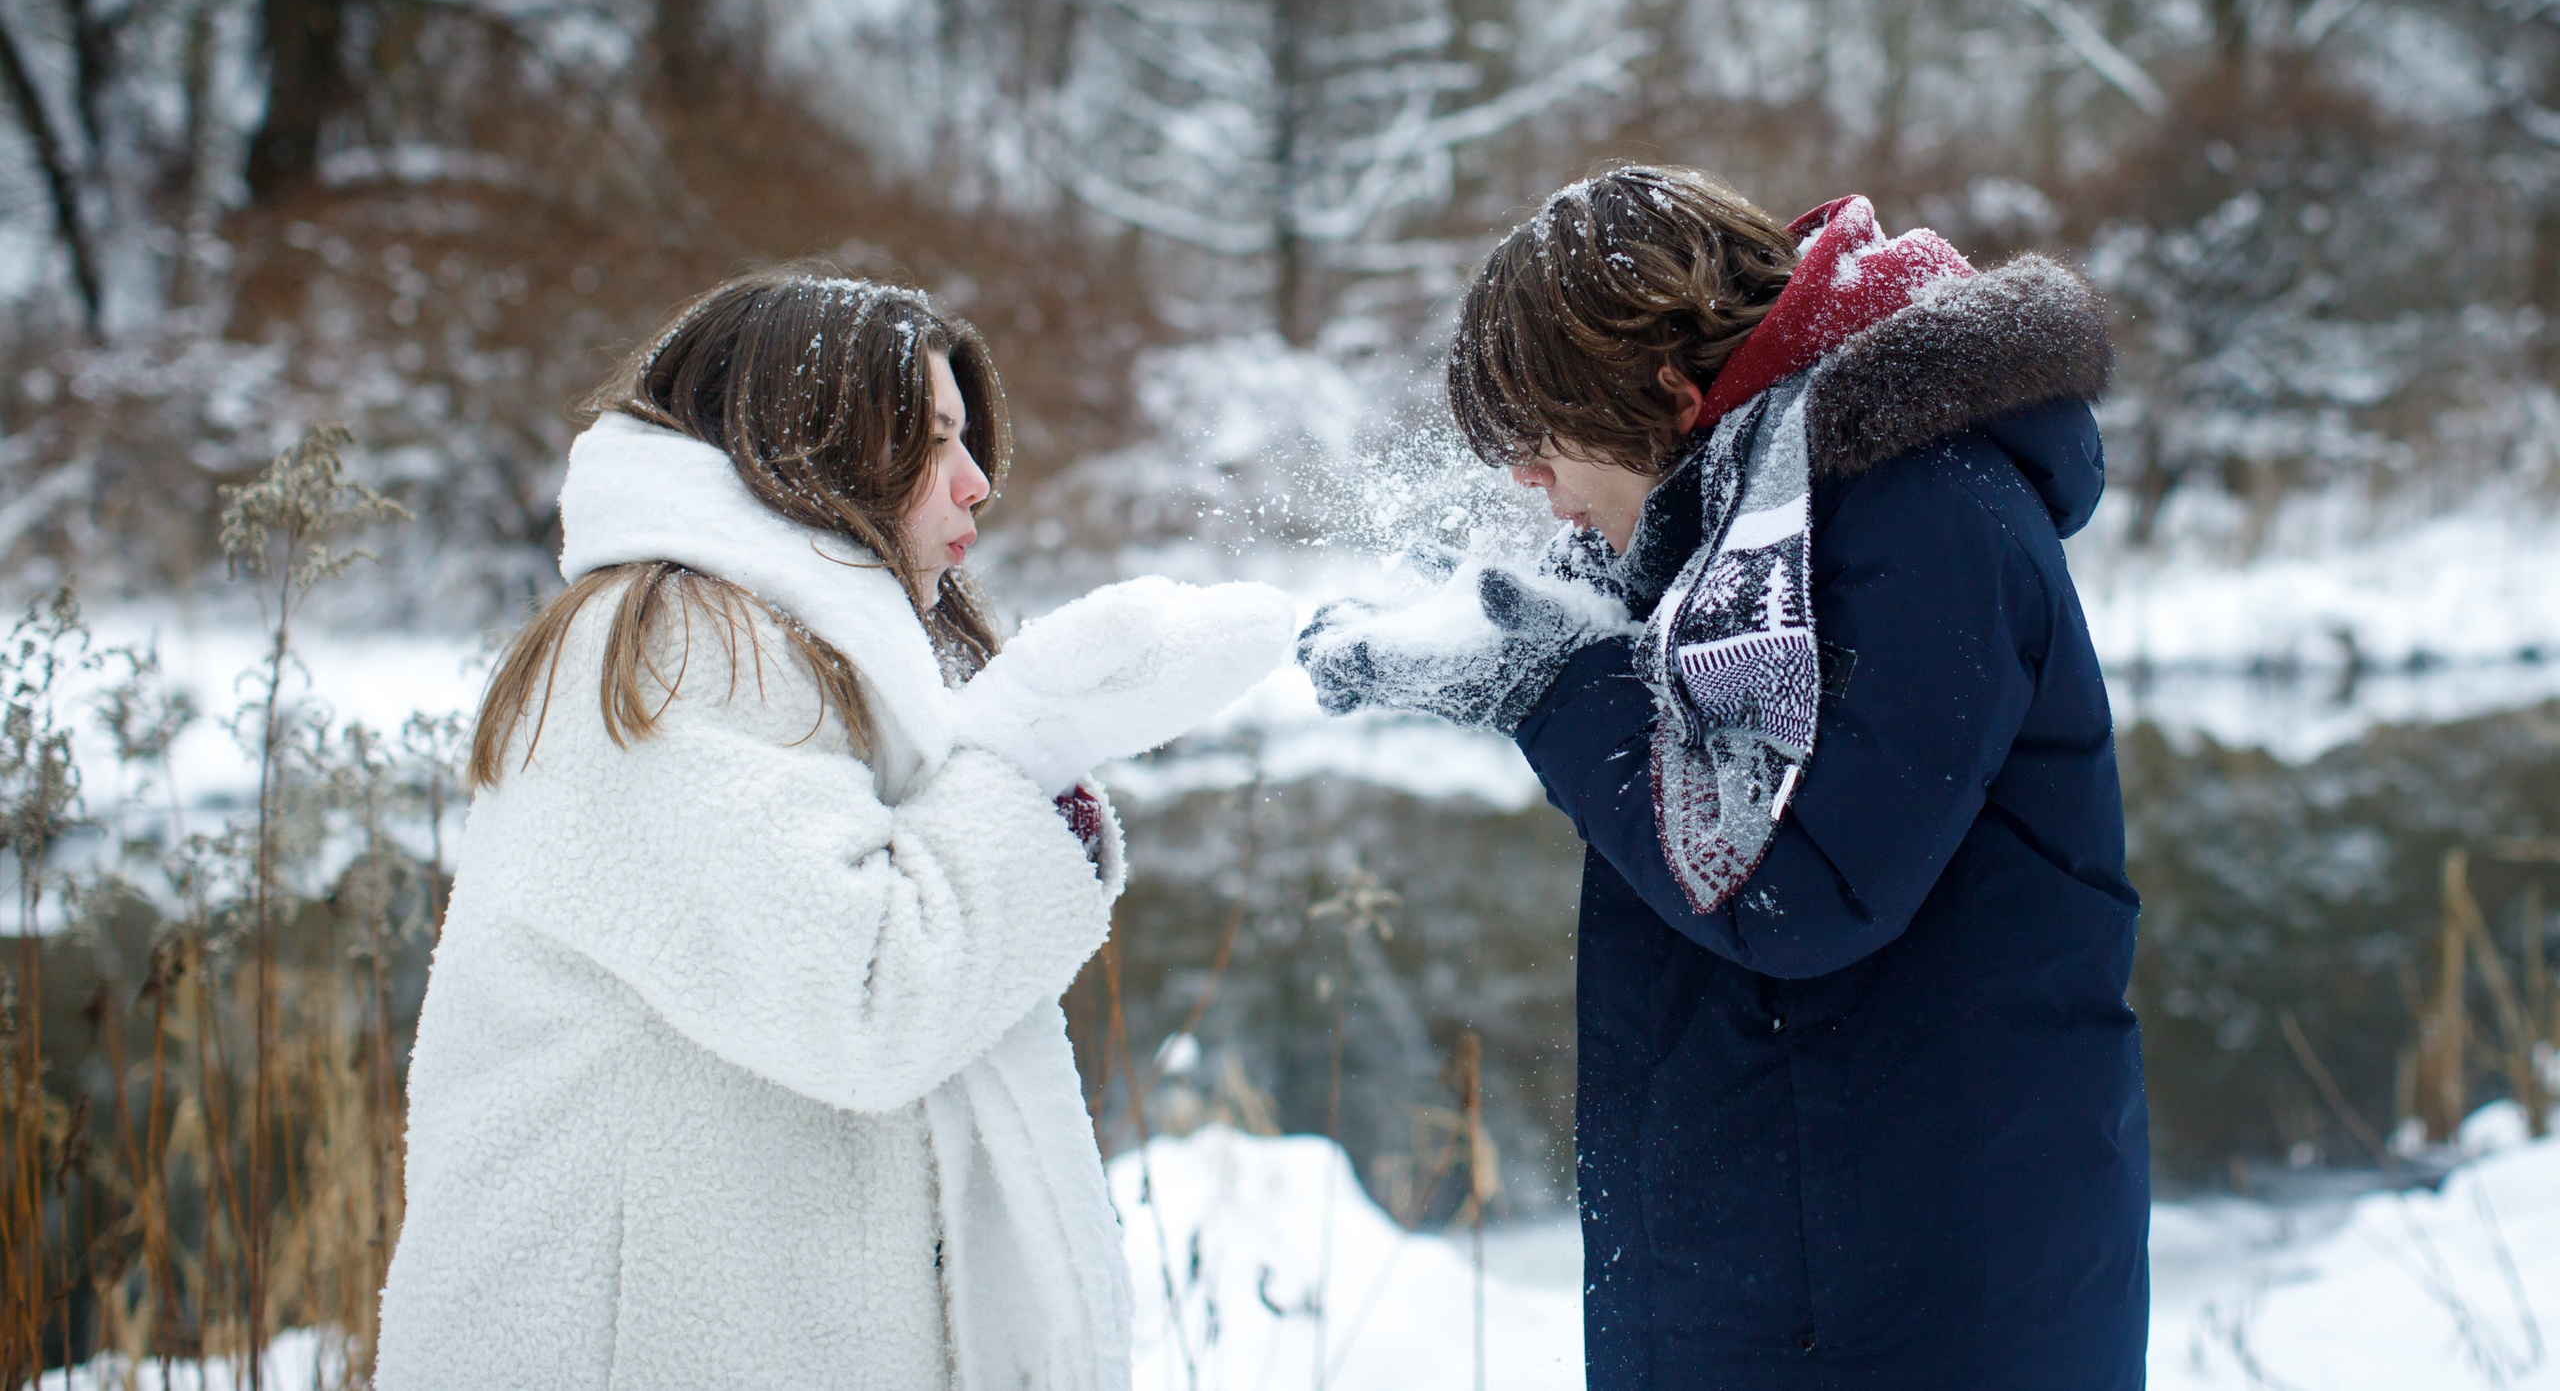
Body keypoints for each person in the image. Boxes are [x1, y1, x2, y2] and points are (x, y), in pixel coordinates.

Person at [1299, 169, 2146, 1390]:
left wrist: (1541, 685)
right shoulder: (1763, 507)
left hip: (1921, 1309)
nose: (1528, 488)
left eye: (1539, 447)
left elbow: (1795, 888)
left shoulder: (1918, 505)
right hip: (1803, 1275)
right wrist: (1486, 636)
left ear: (1662, 393)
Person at [377, 269, 1290, 1391]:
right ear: (817, 443)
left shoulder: (756, 641)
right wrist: (1026, 748)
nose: (977, 482)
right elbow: (863, 996)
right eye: (935, 438)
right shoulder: (670, 644)